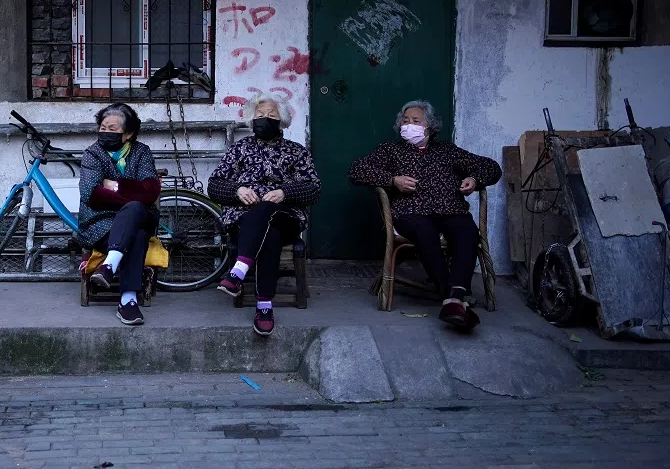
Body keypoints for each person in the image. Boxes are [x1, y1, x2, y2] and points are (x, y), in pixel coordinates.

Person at [349, 100, 501, 330]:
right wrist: (393, 180)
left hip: (450, 209)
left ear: (430, 126)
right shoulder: (391, 151)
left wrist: (474, 179)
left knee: (467, 231)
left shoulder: (448, 151)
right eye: (405, 121)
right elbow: (356, 170)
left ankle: (453, 298)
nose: (409, 125)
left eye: (416, 121)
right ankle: (453, 297)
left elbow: (491, 167)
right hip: (411, 212)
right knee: (425, 232)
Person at [208, 94, 322, 336]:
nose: (265, 119)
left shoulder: (296, 152)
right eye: (260, 115)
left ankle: (238, 271)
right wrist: (237, 190)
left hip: (287, 216)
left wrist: (285, 192)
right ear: (251, 120)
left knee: (267, 209)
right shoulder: (239, 149)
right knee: (269, 233)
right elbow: (214, 185)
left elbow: (314, 189)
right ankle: (264, 306)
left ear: (282, 121)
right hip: (244, 217)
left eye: (271, 115)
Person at [78, 103, 160, 326]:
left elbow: (151, 191)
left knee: (135, 210)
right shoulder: (92, 154)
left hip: (140, 217)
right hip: (100, 224)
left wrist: (114, 186)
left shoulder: (141, 152)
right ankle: (128, 300)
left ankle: (108, 267)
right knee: (137, 233)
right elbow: (91, 194)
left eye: (112, 129)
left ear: (128, 133)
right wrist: (135, 194)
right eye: (103, 128)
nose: (105, 132)